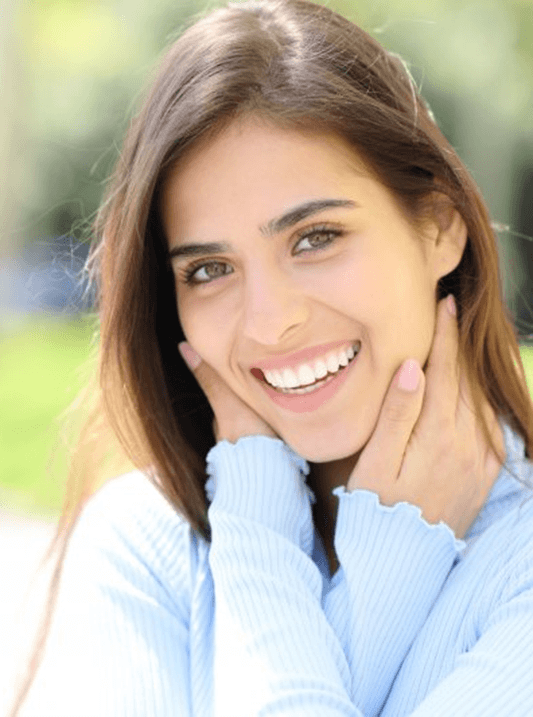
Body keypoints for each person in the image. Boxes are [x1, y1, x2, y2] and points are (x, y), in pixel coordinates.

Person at [12, 0, 533, 715]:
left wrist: (270, 541)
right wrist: (378, 567)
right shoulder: (143, 547)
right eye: (208, 270)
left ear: (439, 226)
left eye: (315, 237)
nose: (270, 322)